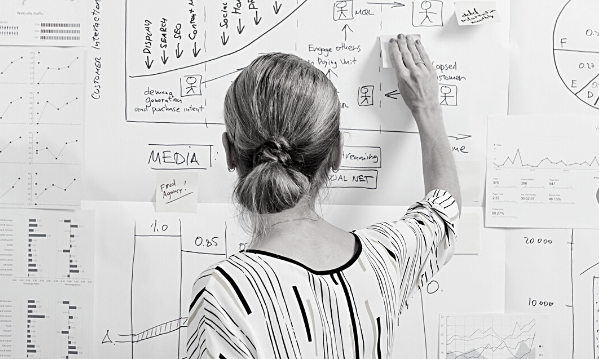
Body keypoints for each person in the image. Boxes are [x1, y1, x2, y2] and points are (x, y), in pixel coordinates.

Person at [184, 35, 460, 358]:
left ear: (230, 152)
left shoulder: (225, 295)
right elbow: (444, 211)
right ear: (338, 153)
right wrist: (427, 107)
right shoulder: (384, 259)